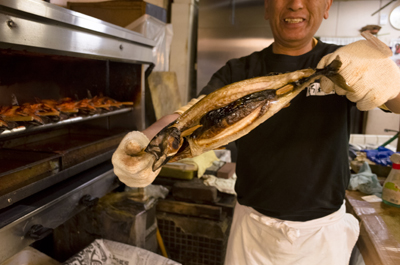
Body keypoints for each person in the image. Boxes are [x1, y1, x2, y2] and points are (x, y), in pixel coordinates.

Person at [112, 0, 400, 264]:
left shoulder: (342, 64)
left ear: (326, 6)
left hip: (321, 236)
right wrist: (146, 142)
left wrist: (389, 80)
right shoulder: (239, 70)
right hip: (252, 231)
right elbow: (190, 115)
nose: (295, 4)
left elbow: (396, 103)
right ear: (267, 7)